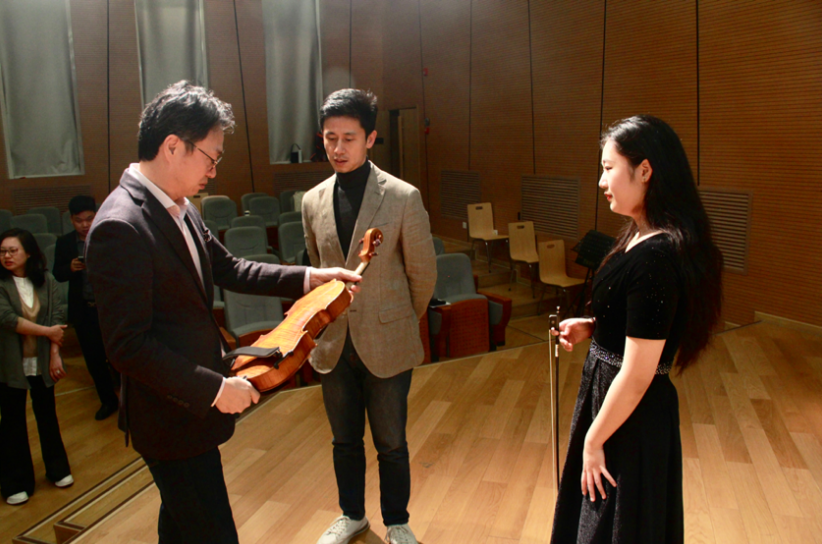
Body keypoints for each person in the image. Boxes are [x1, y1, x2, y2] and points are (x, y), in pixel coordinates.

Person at [85, 81, 361, 544]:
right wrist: (214, 388)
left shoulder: (178, 206)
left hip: (192, 414)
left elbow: (230, 268)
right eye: (211, 157)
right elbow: (127, 347)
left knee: (181, 527)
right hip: (171, 419)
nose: (213, 172)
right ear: (173, 146)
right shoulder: (121, 226)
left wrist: (310, 277)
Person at [550, 115, 723, 543]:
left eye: (609, 168)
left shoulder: (657, 255)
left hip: (631, 414)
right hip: (613, 400)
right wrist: (595, 326)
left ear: (644, 170)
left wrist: (593, 440)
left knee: (614, 528)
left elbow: (638, 373)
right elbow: (640, 320)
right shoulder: (638, 236)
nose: (601, 181)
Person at [302, 89, 437, 544]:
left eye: (349, 138)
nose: (338, 148)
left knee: (391, 442)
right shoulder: (312, 200)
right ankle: (352, 515)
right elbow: (317, 267)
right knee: (344, 441)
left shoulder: (402, 196)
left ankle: (397, 521)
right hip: (333, 341)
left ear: (371, 138)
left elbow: (422, 274)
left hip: (387, 339)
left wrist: (396, 318)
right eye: (330, 138)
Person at [0, 228, 72, 506]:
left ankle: (57, 469)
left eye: (12, 250)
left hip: (41, 360)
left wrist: (54, 354)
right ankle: (15, 482)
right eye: (2, 251)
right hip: (9, 364)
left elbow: (57, 316)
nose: (6, 256)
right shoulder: (1, 283)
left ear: (28, 253)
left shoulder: (46, 280)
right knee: (12, 422)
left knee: (47, 415)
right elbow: (8, 319)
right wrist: (48, 332)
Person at [53, 195, 120, 420]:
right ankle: (108, 401)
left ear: (96, 215)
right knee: (93, 359)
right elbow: (57, 274)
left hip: (110, 309)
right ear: (71, 220)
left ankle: (129, 398)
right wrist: (70, 268)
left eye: (89, 219)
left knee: (119, 354)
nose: (84, 225)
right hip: (84, 310)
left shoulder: (108, 236)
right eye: (78, 220)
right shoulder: (65, 243)